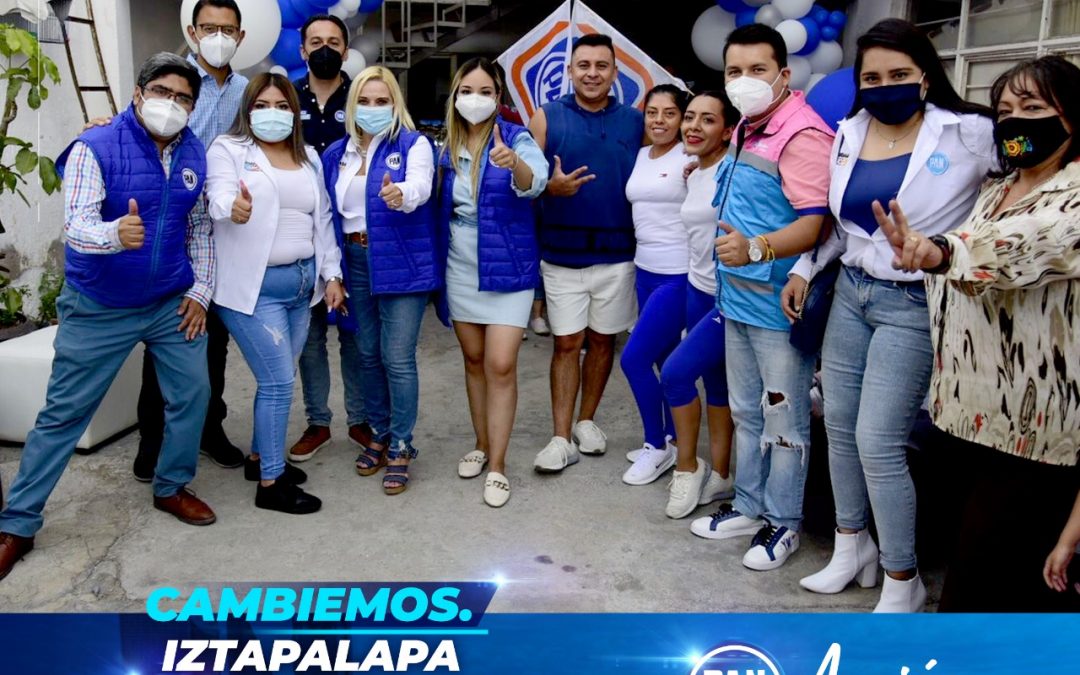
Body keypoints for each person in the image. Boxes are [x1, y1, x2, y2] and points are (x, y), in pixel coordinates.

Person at [784, 19, 995, 612]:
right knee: (841, 429)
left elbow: (1016, 197)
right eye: (872, 76)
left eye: (898, 74)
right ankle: (853, 548)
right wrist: (804, 268)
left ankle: (904, 578)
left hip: (915, 300)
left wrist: (965, 249)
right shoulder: (850, 129)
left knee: (879, 440)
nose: (885, 86)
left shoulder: (970, 133)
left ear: (925, 76)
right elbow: (841, 222)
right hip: (853, 291)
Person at [0, 53, 218, 581]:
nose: (172, 105)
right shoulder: (93, 147)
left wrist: (202, 293)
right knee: (63, 414)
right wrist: (113, 234)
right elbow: (75, 225)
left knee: (193, 394)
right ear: (139, 93)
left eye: (184, 98)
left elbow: (201, 231)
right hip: (100, 305)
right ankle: (18, 525)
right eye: (162, 92)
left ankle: (170, 485)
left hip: (169, 301)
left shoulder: (193, 151)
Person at [875, 55, 1080, 612]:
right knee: (976, 567)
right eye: (1005, 110)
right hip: (967, 414)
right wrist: (930, 251)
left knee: (997, 585)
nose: (1015, 122)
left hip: (1035, 431)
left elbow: (1033, 245)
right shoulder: (997, 188)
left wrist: (943, 251)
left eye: (1033, 108)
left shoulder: (1074, 194)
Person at [698, 24, 834, 571]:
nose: (744, 80)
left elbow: (817, 223)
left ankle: (785, 522)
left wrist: (754, 249)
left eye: (758, 70)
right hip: (737, 301)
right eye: (734, 71)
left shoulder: (801, 134)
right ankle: (751, 506)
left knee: (783, 421)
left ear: (783, 74)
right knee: (745, 412)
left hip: (778, 306)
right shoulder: (749, 127)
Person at [205, 73, 345, 514]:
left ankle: (258, 457)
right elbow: (219, 196)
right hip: (254, 289)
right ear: (248, 111)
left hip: (303, 286)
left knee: (279, 380)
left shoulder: (307, 159)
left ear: (295, 112)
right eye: (262, 105)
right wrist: (233, 207)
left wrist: (332, 274)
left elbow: (321, 218)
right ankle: (271, 484)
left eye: (282, 106)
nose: (273, 114)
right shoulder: (228, 150)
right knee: (279, 382)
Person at [134, 0, 249, 482]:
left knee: (213, 338)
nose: (218, 37)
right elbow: (137, 127)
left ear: (240, 37)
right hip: (171, 225)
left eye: (227, 29)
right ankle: (152, 437)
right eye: (209, 28)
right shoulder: (173, 85)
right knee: (163, 336)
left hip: (223, 230)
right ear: (193, 31)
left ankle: (209, 428)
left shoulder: (246, 91)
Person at [528, 33, 644, 473]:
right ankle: (560, 438)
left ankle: (587, 421)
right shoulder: (546, 117)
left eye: (601, 65)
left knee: (602, 341)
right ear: (570, 70)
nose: (592, 73)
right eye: (583, 65)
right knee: (566, 343)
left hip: (619, 254)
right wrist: (548, 185)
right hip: (561, 254)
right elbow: (521, 183)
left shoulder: (635, 122)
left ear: (615, 72)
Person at [438, 58, 549, 507]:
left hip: (509, 264)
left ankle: (499, 465)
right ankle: (481, 444)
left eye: (485, 91)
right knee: (474, 359)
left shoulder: (516, 137)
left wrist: (515, 163)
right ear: (455, 95)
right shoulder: (445, 144)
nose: (475, 99)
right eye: (467, 90)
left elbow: (536, 182)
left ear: (498, 98)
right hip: (460, 264)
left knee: (500, 364)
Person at [322, 66, 437, 495]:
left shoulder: (413, 144)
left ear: (395, 104)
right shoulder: (337, 154)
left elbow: (421, 186)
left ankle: (403, 444)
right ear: (353, 106)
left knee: (397, 356)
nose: (373, 109)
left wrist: (400, 194)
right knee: (366, 353)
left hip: (401, 259)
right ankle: (380, 432)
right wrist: (333, 272)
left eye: (382, 100)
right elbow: (327, 217)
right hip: (354, 257)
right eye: (364, 101)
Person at [652, 91, 741, 518]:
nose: (693, 127)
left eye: (707, 120)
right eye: (690, 118)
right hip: (696, 288)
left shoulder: (734, 170)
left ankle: (687, 467)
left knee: (675, 374)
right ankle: (722, 475)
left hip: (728, 296)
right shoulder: (697, 170)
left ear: (727, 130)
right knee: (716, 384)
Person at [288, 13, 368, 463]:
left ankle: (359, 419)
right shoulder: (285, 98)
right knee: (310, 336)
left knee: (354, 334)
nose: (324, 48)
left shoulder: (363, 95)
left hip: (350, 232)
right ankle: (318, 422)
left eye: (333, 41)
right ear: (302, 50)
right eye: (315, 41)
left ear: (345, 48)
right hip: (299, 230)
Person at [618, 84, 690, 485]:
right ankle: (673, 438)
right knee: (663, 360)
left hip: (678, 274)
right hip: (644, 270)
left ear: (683, 119)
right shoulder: (643, 155)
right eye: (652, 112)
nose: (659, 121)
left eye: (669, 113)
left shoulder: (691, 158)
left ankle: (656, 447)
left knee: (633, 359)